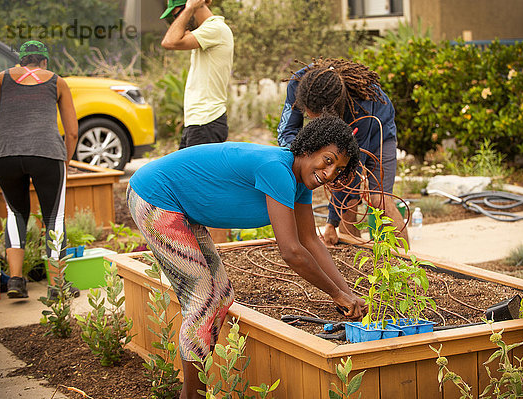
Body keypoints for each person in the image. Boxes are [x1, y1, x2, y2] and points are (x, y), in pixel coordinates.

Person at [127, 115, 366, 399]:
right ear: (308, 148)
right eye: (327, 160)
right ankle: (192, 396)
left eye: (337, 169)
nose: (329, 173)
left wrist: (347, 295)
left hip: (180, 210)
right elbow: (291, 251)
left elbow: (310, 240)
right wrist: (336, 295)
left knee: (222, 296)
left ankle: (194, 386)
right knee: (202, 299)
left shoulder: (299, 182)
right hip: (156, 197)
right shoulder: (276, 168)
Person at [277, 58, 409, 246]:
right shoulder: (298, 84)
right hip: (346, 124)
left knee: (379, 199)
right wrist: (302, 158)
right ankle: (356, 263)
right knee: (348, 206)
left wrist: (331, 221)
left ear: (334, 109)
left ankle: (406, 265)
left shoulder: (360, 104)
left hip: (379, 129)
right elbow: (287, 131)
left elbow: (350, 169)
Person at [0, 40, 78, 298]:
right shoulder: (57, 81)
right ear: (44, 62)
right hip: (46, 153)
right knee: (54, 216)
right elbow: (71, 132)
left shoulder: (0, 78)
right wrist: (66, 161)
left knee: (16, 211)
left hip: (4, 154)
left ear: (20, 62)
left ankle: (16, 281)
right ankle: (57, 284)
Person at [160, 0, 234, 149]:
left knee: (197, 173)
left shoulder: (215, 29)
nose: (179, 21)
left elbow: (169, 42)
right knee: (182, 172)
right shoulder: (206, 32)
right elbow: (175, 38)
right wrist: (189, 10)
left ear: (193, 5)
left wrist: (189, 8)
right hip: (200, 123)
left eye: (178, 15)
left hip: (206, 122)